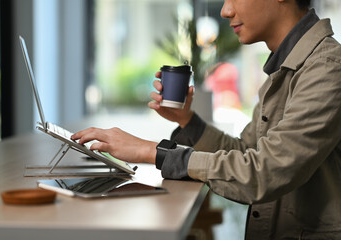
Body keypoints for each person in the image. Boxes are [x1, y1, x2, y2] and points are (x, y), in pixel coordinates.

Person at [72, 0, 341, 238]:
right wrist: (189, 122)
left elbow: (266, 171)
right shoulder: (287, 68)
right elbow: (246, 152)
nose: (225, 10)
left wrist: (151, 151)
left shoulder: (327, 69)